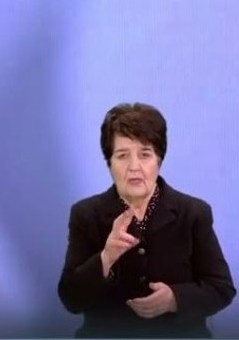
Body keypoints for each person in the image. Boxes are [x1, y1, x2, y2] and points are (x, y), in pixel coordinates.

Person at [57, 102, 235, 337]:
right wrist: (106, 257)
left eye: (145, 154)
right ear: (110, 163)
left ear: (159, 160)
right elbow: (71, 300)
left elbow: (222, 288)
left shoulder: (194, 213)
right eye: (122, 156)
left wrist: (175, 299)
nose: (134, 166)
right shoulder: (86, 214)